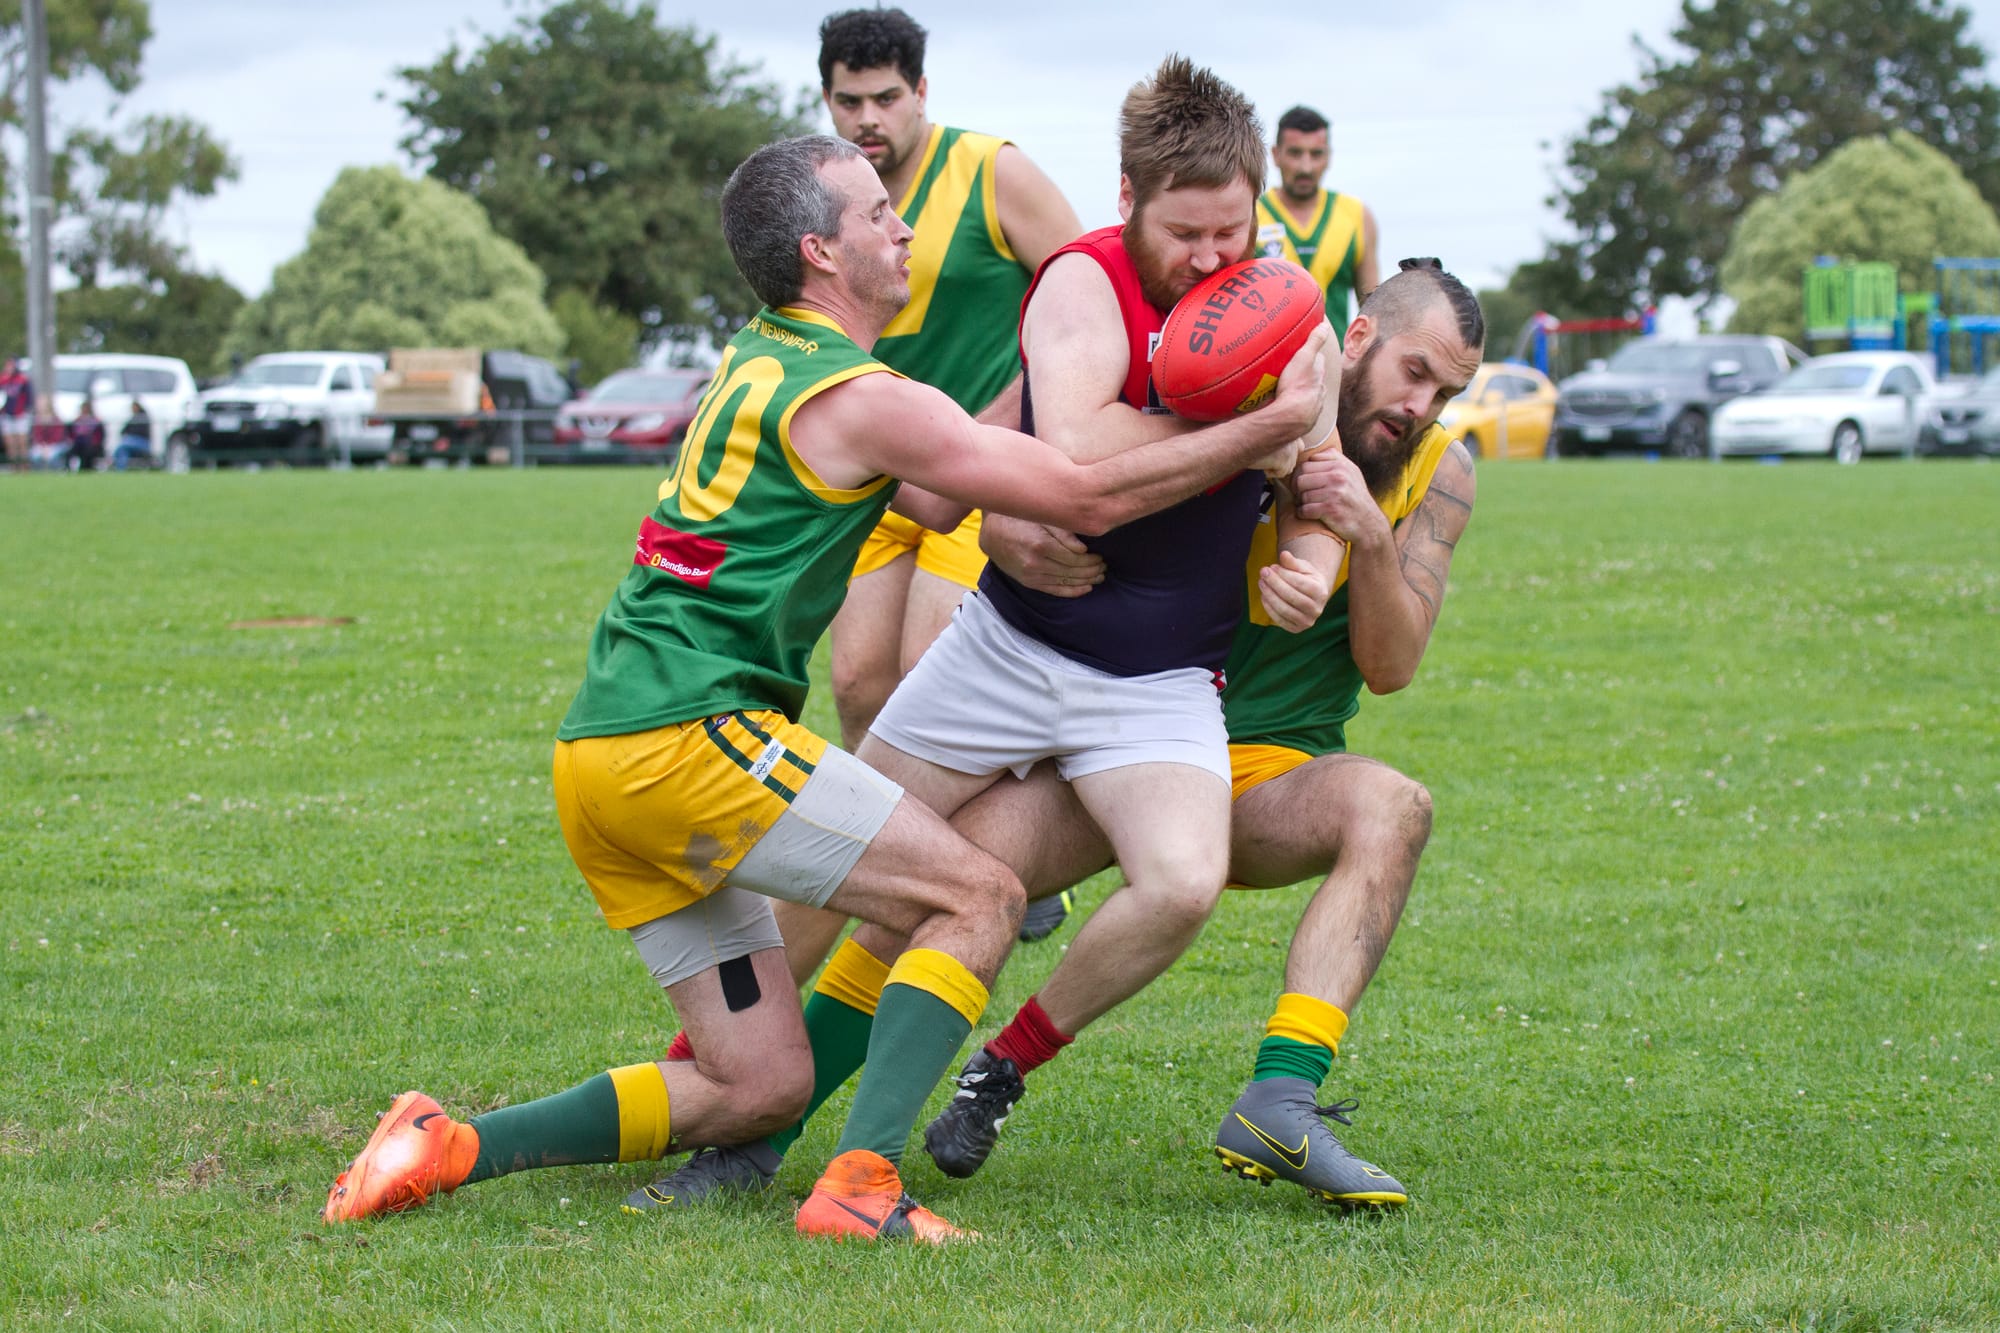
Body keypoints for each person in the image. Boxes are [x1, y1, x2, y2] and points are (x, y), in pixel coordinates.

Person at [319, 133, 1329, 1244]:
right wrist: (1267, 428)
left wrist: (1035, 377)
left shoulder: (761, 354)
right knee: (979, 895)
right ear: (821, 252)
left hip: (598, 757)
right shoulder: (858, 392)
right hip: (690, 736)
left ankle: (448, 1142)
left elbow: (947, 490)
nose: (903, 229)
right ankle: (861, 1189)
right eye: (877, 216)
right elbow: (1079, 489)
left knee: (756, 1082)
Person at [628, 55, 1345, 1215]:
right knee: (832, 868)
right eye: (1185, 233)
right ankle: (715, 1097)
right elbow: (1075, 455)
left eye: (1233, 229)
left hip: (1159, 679)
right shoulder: (1079, 282)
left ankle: (1000, 1060)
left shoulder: (1284, 307)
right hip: (1006, 650)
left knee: (1178, 882)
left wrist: (1311, 551)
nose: (1213, 259)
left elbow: (1321, 469)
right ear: (1127, 199)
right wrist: (1253, 423)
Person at [926, 257, 1485, 1208]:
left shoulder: (1439, 473)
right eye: (1415, 372)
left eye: (1449, 391)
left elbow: (1391, 669)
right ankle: (751, 1109)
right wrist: (1003, 522)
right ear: (1356, 338)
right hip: (1121, 732)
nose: (1423, 406)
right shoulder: (1237, 378)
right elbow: (1015, 462)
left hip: (1261, 775)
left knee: (1393, 807)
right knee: (926, 877)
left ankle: (1277, 1097)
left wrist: (1372, 540)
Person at [1255, 105, 1379, 340]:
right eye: (1295, 153)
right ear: (1275, 154)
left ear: (1328, 156)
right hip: (1267, 372)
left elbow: (1372, 309)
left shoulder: (1357, 216)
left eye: (1316, 154)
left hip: (1337, 370)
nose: (1306, 167)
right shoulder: (1250, 214)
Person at [0, 358, 30, 471]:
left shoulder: (23, 380)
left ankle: (24, 467)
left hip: (20, 415)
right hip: (7, 415)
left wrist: (26, 409)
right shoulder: (3, 379)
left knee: (22, 441)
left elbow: (29, 397)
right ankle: (14, 467)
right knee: (10, 443)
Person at [64, 399, 106, 472]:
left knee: (87, 453)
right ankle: (68, 470)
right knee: (69, 453)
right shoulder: (77, 421)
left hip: (92, 445)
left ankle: (85, 469)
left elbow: (100, 436)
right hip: (79, 444)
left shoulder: (96, 422)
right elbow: (71, 433)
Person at [112, 397, 153, 471]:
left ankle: (117, 467)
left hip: (142, 443)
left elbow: (140, 432)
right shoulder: (133, 418)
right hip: (131, 442)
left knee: (121, 447)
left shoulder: (143, 418)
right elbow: (123, 431)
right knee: (123, 451)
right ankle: (120, 469)